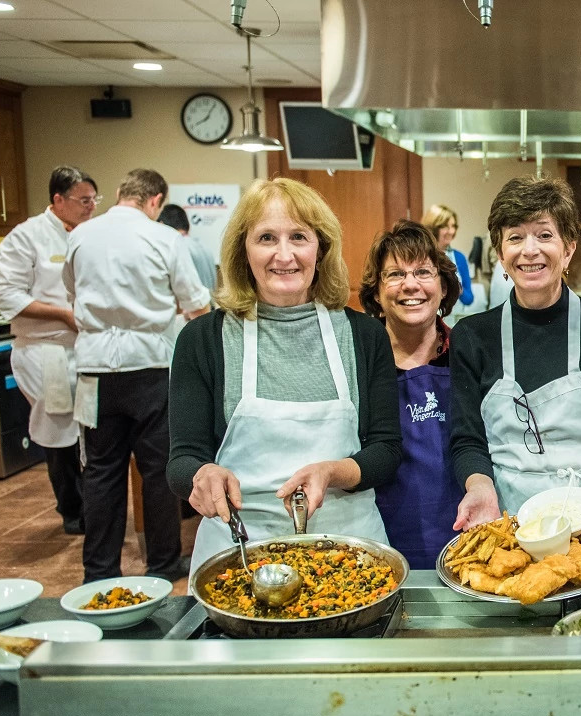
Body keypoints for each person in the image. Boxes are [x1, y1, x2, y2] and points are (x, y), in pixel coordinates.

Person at [168, 178, 402, 576]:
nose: (284, 254)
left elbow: (386, 451)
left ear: (320, 247)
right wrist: (202, 473)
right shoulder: (203, 339)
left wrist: (331, 472)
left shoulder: (363, 335)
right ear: (243, 250)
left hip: (347, 553)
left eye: (298, 236)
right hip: (238, 554)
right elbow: (181, 460)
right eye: (266, 238)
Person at [451, 176, 581, 531]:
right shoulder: (472, 336)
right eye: (515, 237)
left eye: (544, 235)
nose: (529, 250)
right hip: (507, 522)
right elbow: (466, 440)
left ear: (569, 248)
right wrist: (479, 485)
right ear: (501, 254)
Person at [64, 168, 211, 582]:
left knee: (101, 470)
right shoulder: (163, 238)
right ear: (156, 201)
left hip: (94, 369)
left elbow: (73, 294)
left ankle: (98, 571)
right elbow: (194, 303)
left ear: (118, 193)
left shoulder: (81, 235)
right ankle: (162, 565)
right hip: (150, 365)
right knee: (159, 470)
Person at [0, 166, 98, 536]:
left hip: (83, 349)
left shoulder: (88, 235)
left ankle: (88, 504)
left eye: (93, 200)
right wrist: (62, 315)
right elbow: (6, 295)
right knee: (59, 428)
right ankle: (71, 508)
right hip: (45, 349)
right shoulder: (27, 237)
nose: (90, 207)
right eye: (83, 200)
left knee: (85, 428)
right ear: (58, 199)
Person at [359, 220, 464, 569]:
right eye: (394, 274)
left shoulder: (468, 352)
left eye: (423, 271)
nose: (410, 285)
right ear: (376, 292)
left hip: (465, 534)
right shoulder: (357, 360)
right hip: (375, 539)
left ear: (443, 286)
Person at [422, 204, 474, 308]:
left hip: (453, 320)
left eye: (453, 226)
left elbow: (468, 299)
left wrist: (455, 286)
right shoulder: (421, 256)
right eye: (445, 226)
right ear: (433, 228)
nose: (452, 231)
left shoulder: (459, 258)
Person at [158, 203, 217, 294]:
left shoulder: (178, 249)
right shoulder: (204, 247)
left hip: (193, 306)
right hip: (209, 304)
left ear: (162, 224)